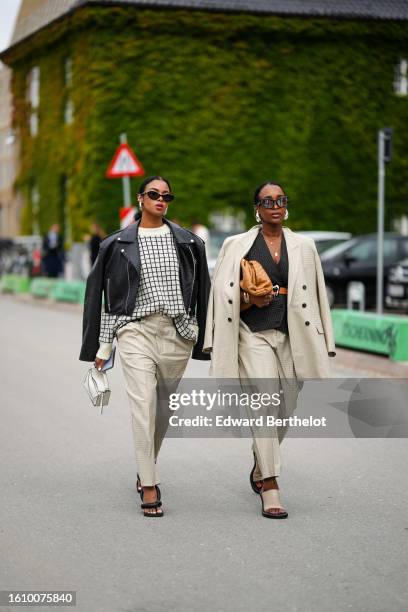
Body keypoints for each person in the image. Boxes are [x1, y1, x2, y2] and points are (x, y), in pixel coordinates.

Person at [79, 176, 211, 517]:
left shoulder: (189, 242)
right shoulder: (117, 244)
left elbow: (203, 294)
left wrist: (206, 337)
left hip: (177, 333)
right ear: (140, 199)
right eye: (154, 194)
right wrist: (102, 346)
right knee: (142, 405)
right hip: (135, 331)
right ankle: (150, 484)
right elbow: (106, 298)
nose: (160, 200)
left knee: (164, 409)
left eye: (167, 195)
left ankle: (145, 465)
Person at [203, 181, 336, 519]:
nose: (275, 205)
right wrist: (250, 298)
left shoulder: (304, 246)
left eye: (280, 199)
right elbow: (221, 297)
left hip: (294, 334)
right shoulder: (236, 245)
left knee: (287, 405)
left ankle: (261, 458)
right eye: (267, 200)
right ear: (256, 208)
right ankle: (271, 485)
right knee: (264, 398)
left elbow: (318, 294)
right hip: (252, 333)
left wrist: (326, 341)